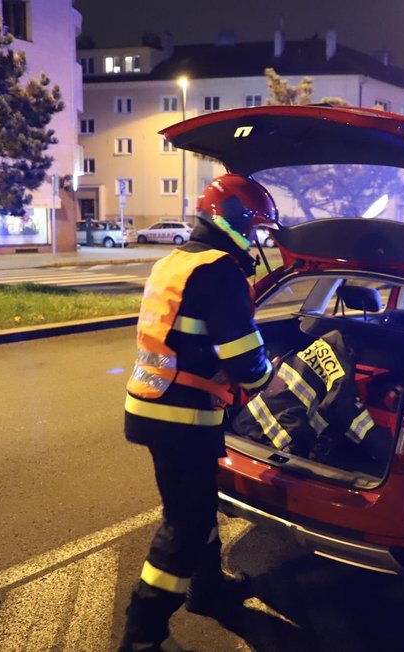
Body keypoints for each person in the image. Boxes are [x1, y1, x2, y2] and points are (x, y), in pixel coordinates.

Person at [118, 174, 277, 652]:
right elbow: (245, 360)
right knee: (183, 525)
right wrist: (270, 377)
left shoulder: (179, 260)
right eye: (255, 229)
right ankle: (141, 635)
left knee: (196, 506)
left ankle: (207, 590)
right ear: (234, 220)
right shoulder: (220, 271)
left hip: (154, 404)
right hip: (182, 416)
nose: (257, 240)